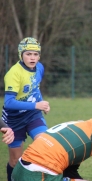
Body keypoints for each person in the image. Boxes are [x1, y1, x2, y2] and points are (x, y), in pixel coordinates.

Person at [1, 37, 50, 181]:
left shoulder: (40, 67)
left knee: (45, 143)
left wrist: (42, 104)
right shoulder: (13, 73)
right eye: (28, 54)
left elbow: (36, 89)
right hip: (14, 119)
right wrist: (36, 105)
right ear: (21, 55)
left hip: (33, 115)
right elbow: (9, 102)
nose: (32, 58)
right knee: (15, 161)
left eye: (35, 54)